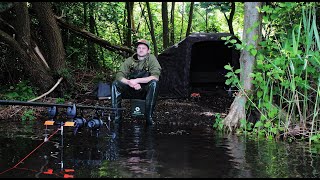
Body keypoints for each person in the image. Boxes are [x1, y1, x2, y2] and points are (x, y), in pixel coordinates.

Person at [111, 39, 162, 125]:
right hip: (131, 89)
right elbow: (119, 75)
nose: (141, 50)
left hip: (145, 91)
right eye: (139, 48)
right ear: (136, 49)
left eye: (144, 48)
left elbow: (155, 77)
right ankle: (117, 117)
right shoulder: (129, 60)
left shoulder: (152, 59)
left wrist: (136, 80)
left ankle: (149, 117)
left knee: (154, 83)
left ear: (148, 51)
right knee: (115, 84)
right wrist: (129, 82)